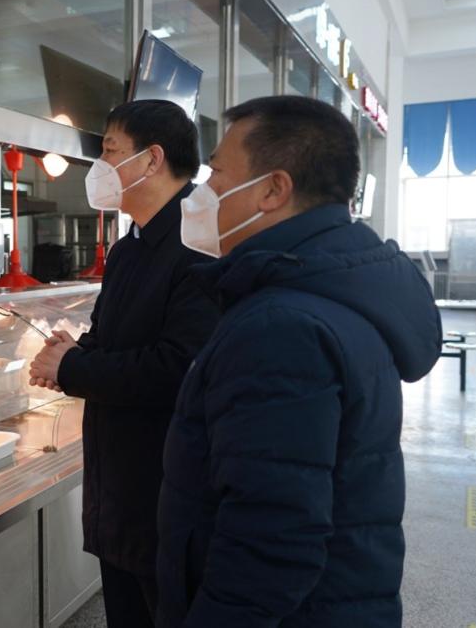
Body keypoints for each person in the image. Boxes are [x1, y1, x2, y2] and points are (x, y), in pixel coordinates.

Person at [156, 96, 442, 627]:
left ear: (273, 190)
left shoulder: (280, 326)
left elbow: (269, 539)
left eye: (217, 172)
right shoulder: (332, 286)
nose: (203, 191)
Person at [29, 100, 220, 626]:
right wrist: (74, 352)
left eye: (110, 151)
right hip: (119, 491)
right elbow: (114, 337)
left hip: (167, 492)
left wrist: (73, 369)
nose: (101, 167)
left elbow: (180, 368)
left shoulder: (198, 243)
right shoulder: (129, 246)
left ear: (152, 159)